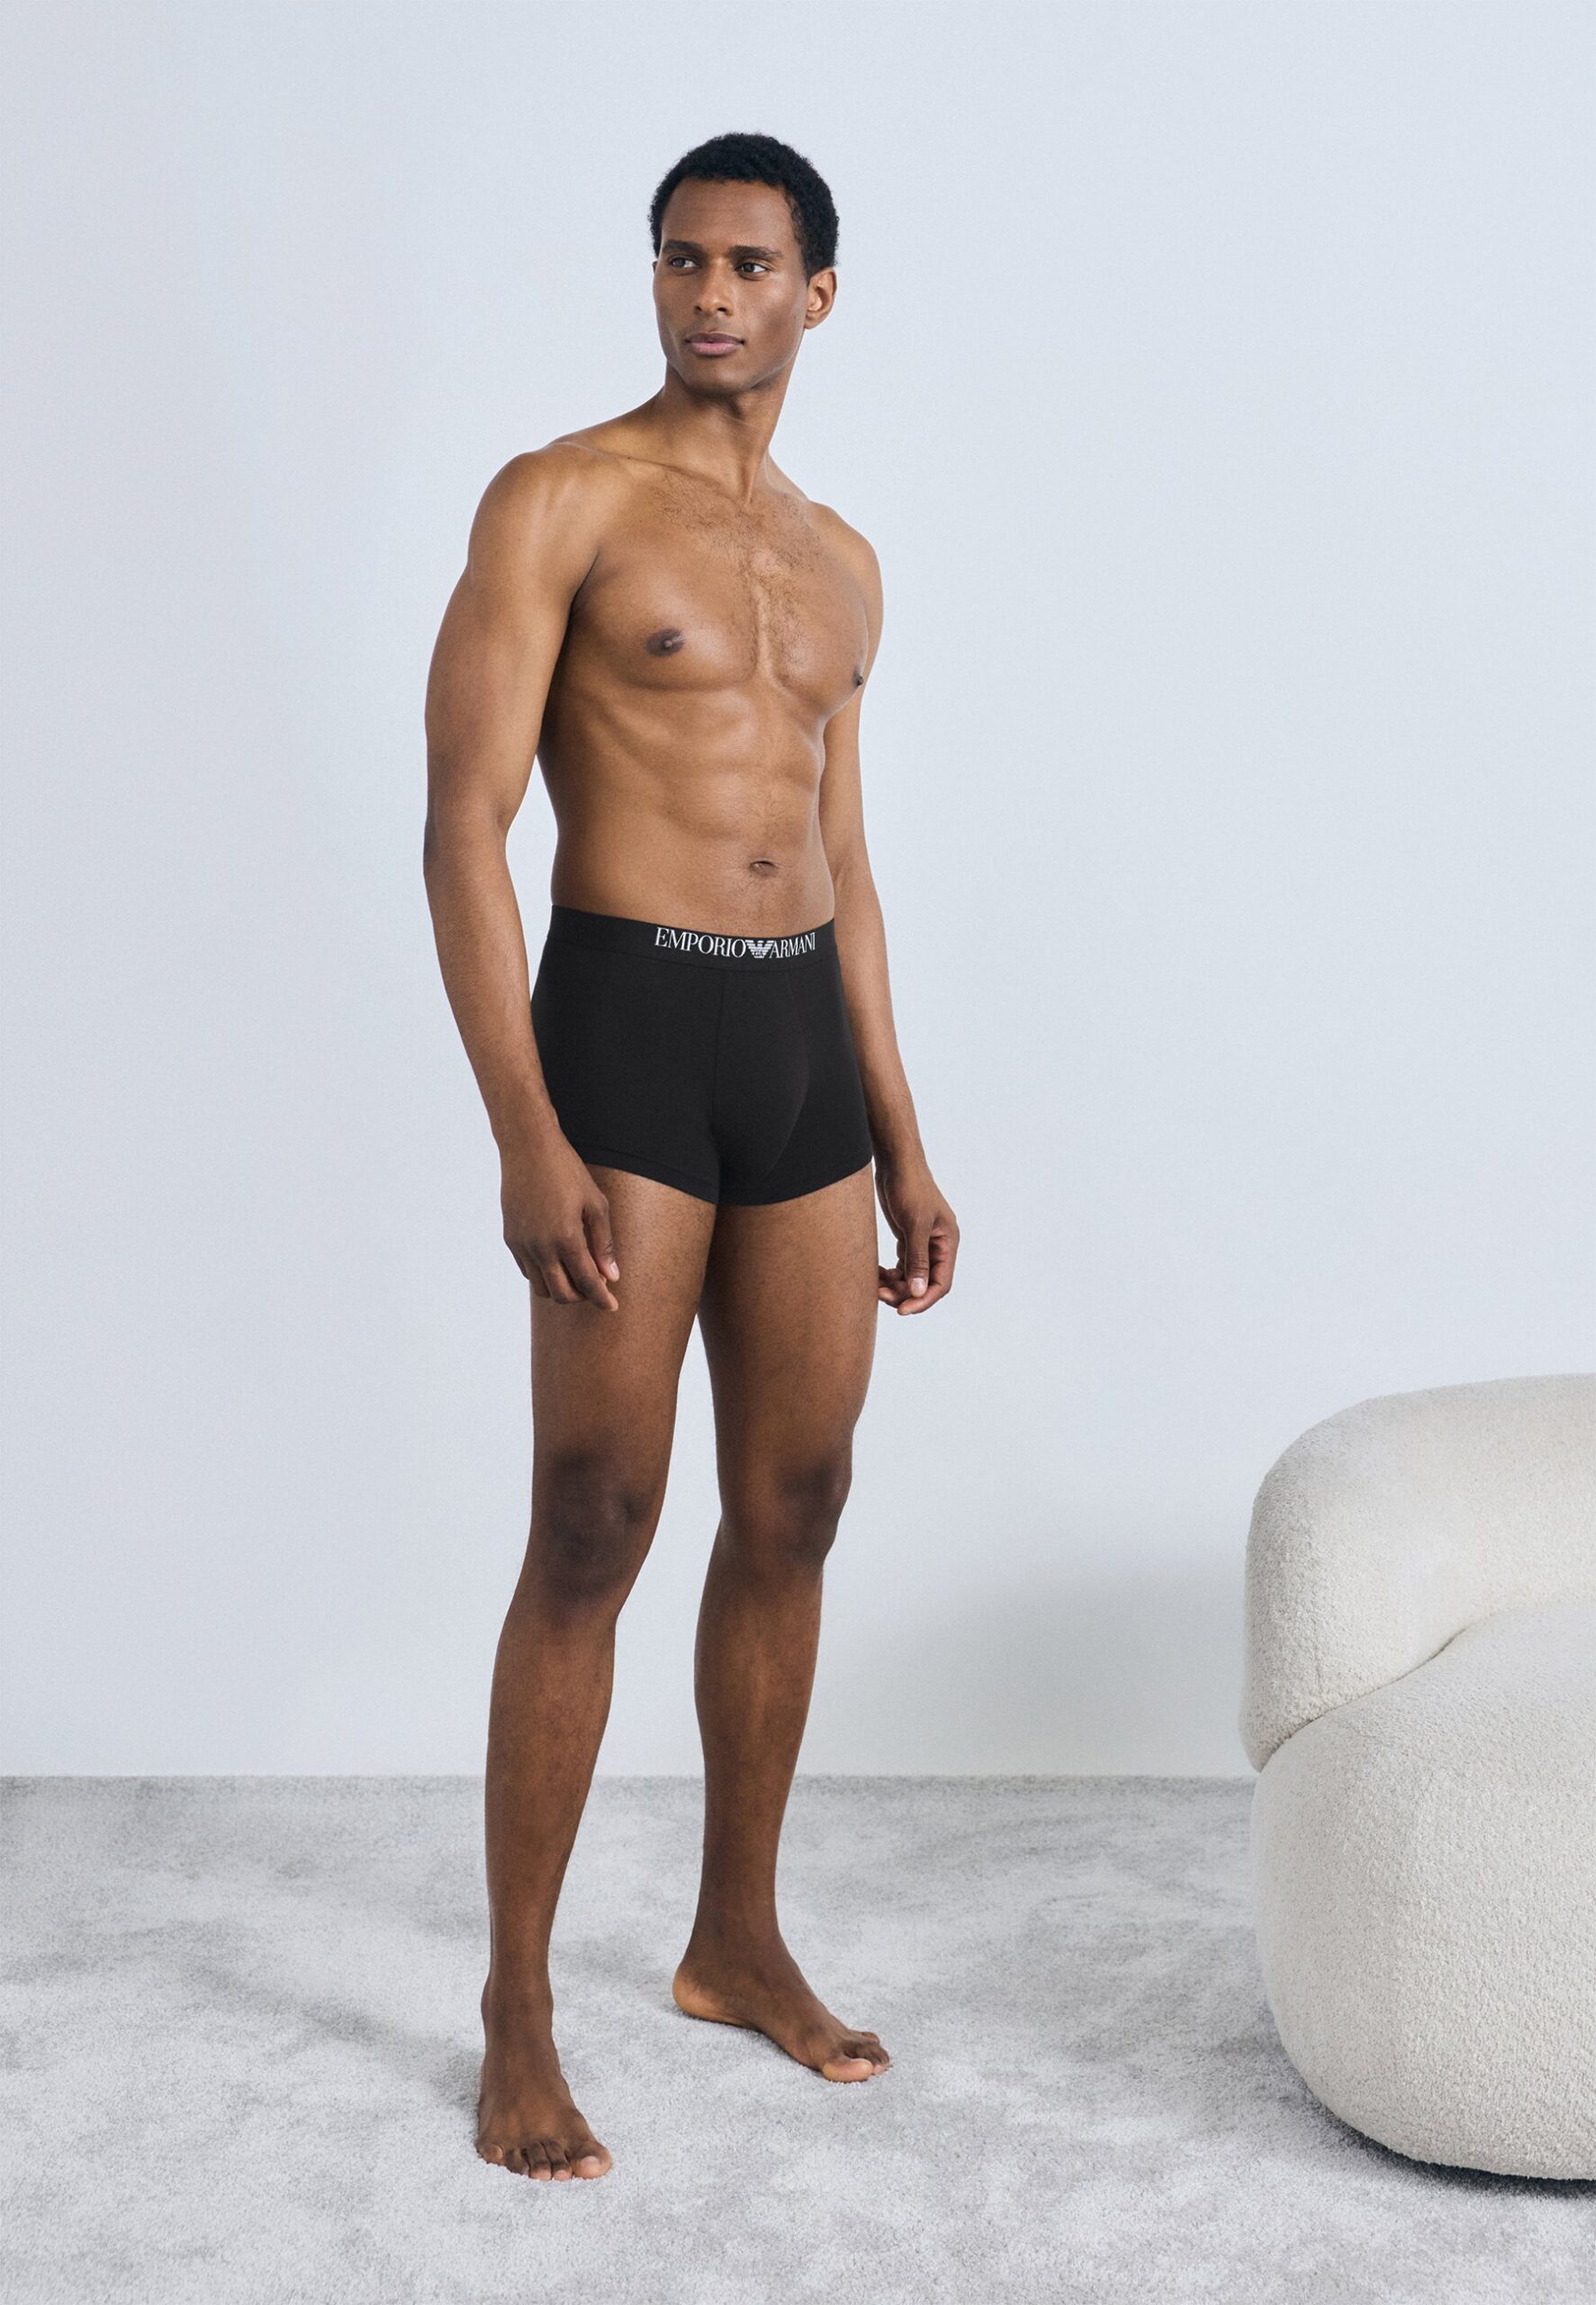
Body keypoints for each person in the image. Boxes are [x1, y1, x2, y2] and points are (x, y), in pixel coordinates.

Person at [423, 130, 959, 2183]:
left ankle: (735, 1938)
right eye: (678, 259)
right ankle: (518, 2006)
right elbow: (462, 827)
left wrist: (900, 1131)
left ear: (817, 293)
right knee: (592, 1515)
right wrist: (523, 1123)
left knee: (797, 1501)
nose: (708, 294)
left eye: (745, 264)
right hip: (627, 1026)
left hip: (798, 1044)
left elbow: (848, 861)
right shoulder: (558, 498)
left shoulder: (842, 563)